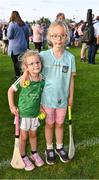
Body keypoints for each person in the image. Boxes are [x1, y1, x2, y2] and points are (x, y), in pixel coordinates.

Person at [21, 21, 76, 165]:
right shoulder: (44, 55)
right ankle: (49, 148)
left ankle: (59, 147)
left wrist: (71, 96)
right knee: (49, 124)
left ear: (66, 37)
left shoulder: (70, 58)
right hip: (46, 100)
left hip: (63, 100)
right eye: (55, 36)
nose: (59, 39)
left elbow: (71, 79)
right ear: (50, 37)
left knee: (59, 124)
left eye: (62, 36)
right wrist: (26, 73)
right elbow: (32, 65)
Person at [8, 50, 45, 171]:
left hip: (35, 114)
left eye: (37, 62)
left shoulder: (42, 79)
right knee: (23, 137)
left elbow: (39, 95)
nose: (36, 65)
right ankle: (23, 156)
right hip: (23, 114)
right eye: (31, 63)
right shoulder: (24, 79)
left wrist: (41, 108)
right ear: (26, 67)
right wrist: (12, 106)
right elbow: (10, 90)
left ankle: (34, 153)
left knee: (33, 134)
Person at [7, 11, 29, 79]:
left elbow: (9, 36)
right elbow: (27, 35)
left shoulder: (12, 24)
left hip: (15, 47)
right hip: (23, 45)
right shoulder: (24, 24)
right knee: (22, 62)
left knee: (16, 62)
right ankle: (23, 75)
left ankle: (17, 76)